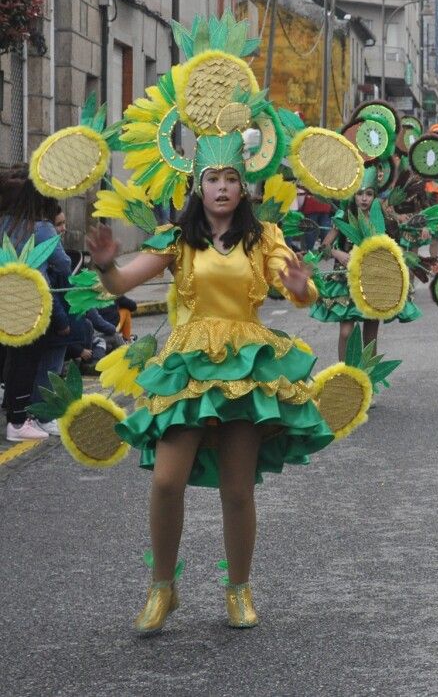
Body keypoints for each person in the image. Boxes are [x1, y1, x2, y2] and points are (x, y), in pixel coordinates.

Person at [87, 156, 334, 634]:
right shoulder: (178, 238)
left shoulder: (264, 238)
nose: (222, 188)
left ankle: (239, 588)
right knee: (165, 481)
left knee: (237, 490)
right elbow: (121, 283)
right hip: (189, 366)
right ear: (198, 188)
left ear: (244, 190)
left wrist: (303, 288)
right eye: (212, 180)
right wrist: (104, 265)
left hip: (246, 366)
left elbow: (300, 288)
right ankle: (163, 587)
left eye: (231, 180)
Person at [312, 170, 421, 361]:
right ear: (353, 195)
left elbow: (397, 243)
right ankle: (346, 375)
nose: (364, 199)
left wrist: (420, 229)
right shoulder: (345, 216)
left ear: (375, 196)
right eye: (359, 194)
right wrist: (338, 253)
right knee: (346, 332)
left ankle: (368, 376)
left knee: (370, 335)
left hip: (373, 281)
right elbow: (324, 246)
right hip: (347, 280)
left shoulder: (383, 217)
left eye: (369, 194)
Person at [0, 177, 72, 441]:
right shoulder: (41, 228)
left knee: (10, 360)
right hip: (32, 305)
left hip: (3, 300)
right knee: (26, 361)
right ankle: (18, 422)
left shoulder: (2, 224)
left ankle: (15, 413)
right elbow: (64, 264)